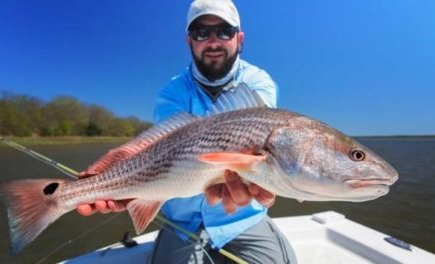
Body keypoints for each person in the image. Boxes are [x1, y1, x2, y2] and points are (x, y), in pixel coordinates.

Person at [77, 1, 295, 263]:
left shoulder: (258, 81)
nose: (213, 41)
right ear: (189, 41)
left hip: (241, 216)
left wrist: (272, 181)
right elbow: (162, 149)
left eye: (224, 31)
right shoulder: (172, 91)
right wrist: (123, 168)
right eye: (201, 32)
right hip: (181, 221)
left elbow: (259, 135)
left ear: (240, 38)